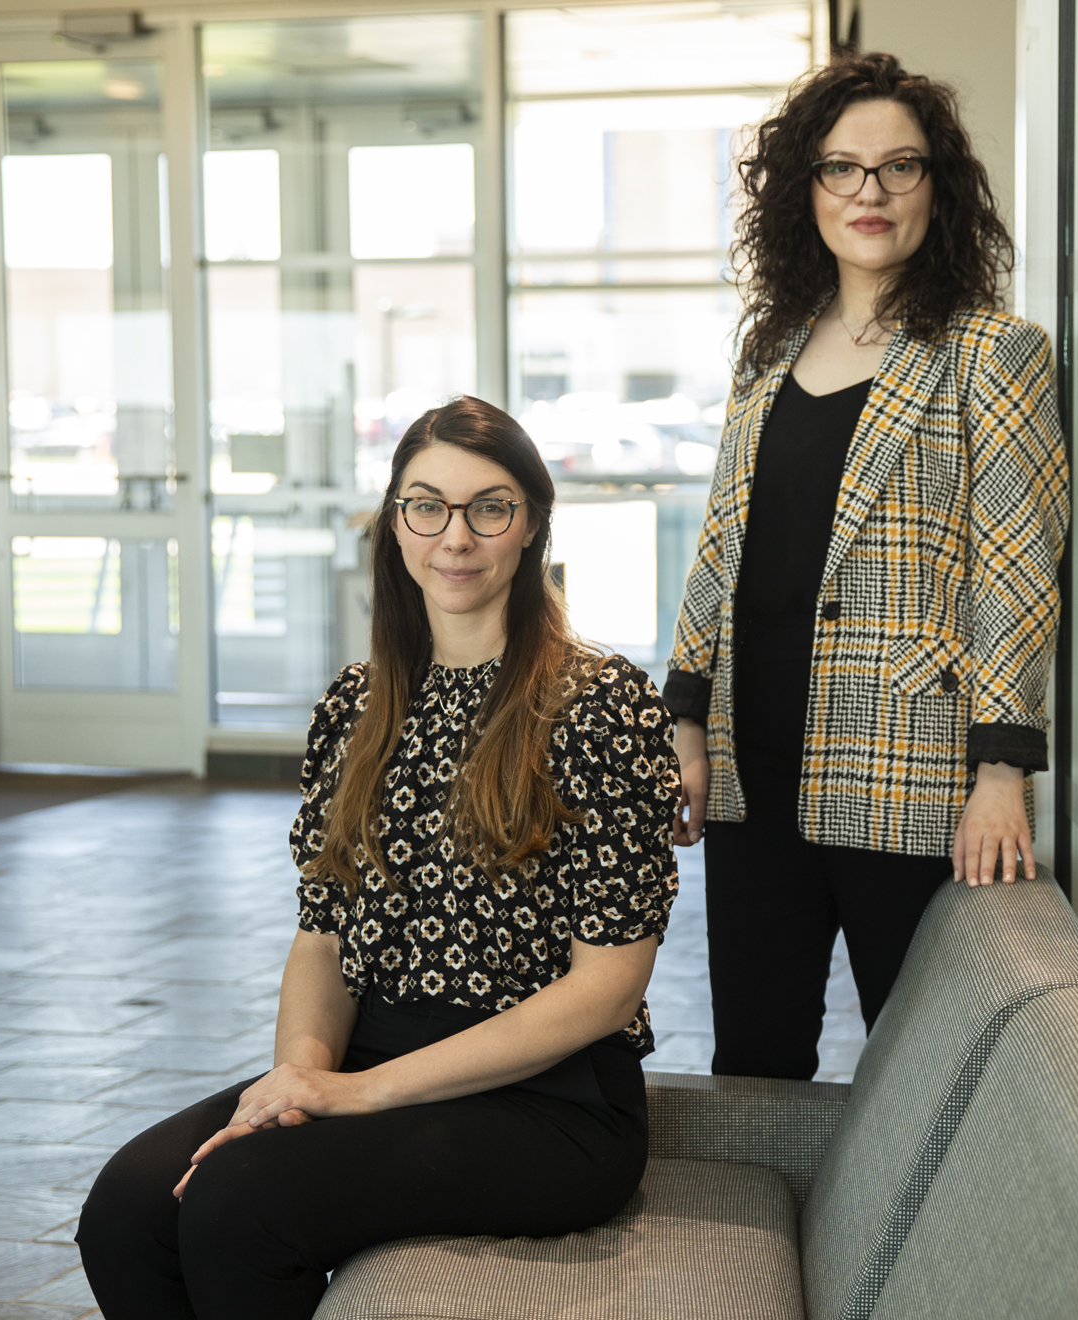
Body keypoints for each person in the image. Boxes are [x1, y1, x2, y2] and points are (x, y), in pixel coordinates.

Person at [76, 398, 682, 1319]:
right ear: (395, 524)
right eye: (426, 505)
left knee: (240, 1210)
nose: (457, 536)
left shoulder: (600, 706)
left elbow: (607, 989)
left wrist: (358, 1096)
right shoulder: (358, 706)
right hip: (370, 1060)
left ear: (532, 529)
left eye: (491, 507)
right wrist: (300, 1081)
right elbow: (322, 939)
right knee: (128, 1209)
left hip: (549, 1102)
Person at [665, 52, 1067, 1081]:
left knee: (924, 1064)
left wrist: (999, 770)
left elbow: (1018, 573)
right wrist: (685, 724)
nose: (870, 194)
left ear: (941, 186)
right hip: (757, 763)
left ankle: (917, 1247)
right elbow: (718, 553)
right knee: (754, 1055)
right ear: (805, 191)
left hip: (908, 764)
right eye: (841, 169)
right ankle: (772, 1242)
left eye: (899, 167)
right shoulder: (768, 353)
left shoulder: (992, 350)